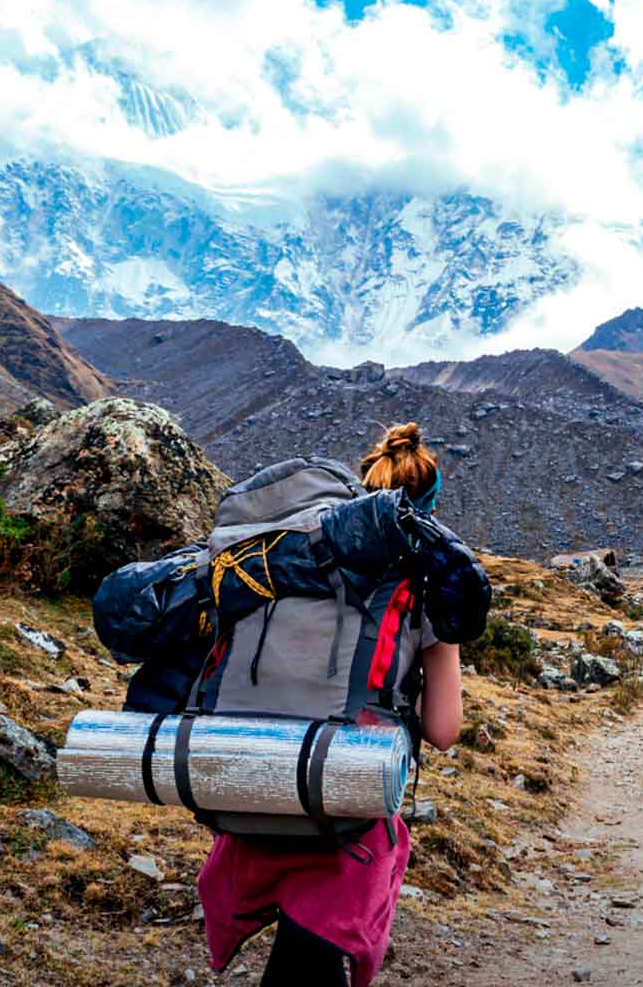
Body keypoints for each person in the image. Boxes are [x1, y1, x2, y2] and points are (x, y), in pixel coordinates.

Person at [197, 423, 464, 987]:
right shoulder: (422, 587)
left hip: (244, 783)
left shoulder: (283, 561)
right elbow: (443, 729)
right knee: (312, 962)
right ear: (431, 506)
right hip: (344, 807)